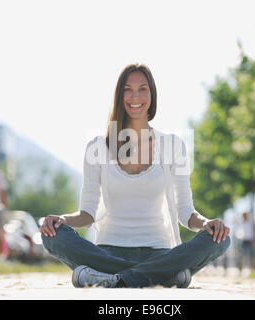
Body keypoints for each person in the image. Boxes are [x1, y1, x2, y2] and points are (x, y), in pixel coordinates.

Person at [40, 63, 231, 288]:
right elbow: (88, 214)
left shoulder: (173, 145)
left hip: (159, 254)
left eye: (143, 88)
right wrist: (62, 220)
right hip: (107, 252)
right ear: (119, 95)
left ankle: (113, 278)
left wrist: (208, 223)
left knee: (221, 238)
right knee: (51, 233)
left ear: (152, 95)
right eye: (128, 89)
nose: (135, 96)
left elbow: (185, 212)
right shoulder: (98, 147)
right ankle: (161, 276)